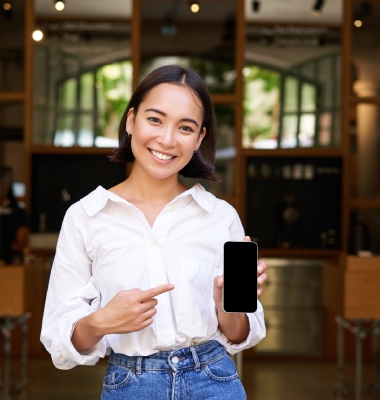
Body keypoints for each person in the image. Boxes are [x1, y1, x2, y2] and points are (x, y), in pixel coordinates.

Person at [40, 64, 268, 399]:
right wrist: (102, 320)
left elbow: (238, 335)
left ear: (199, 138)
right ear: (131, 121)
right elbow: (59, 341)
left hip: (214, 381)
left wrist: (225, 305)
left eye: (185, 127)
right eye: (155, 119)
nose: (167, 139)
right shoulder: (86, 217)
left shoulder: (220, 217)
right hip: (130, 384)